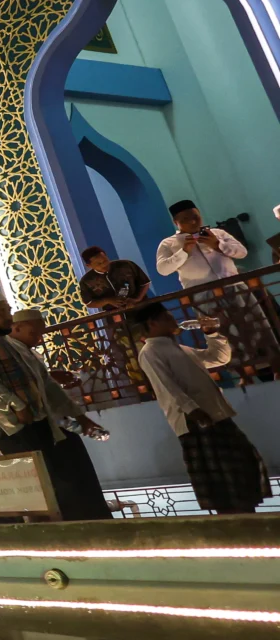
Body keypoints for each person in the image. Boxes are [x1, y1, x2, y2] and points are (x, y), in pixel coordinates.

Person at [0, 291, 113, 520]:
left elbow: (45, 384)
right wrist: (17, 405)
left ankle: (88, 529)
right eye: (1, 313)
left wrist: (80, 417)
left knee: (68, 474)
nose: (8, 317)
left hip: (38, 421)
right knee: (42, 490)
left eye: (8, 311)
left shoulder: (10, 343)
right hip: (11, 427)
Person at [134, 301, 270, 514]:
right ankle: (235, 523)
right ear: (153, 323)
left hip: (213, 414)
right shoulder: (150, 352)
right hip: (196, 421)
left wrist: (213, 335)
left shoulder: (181, 349)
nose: (173, 320)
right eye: (167, 317)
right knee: (223, 478)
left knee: (240, 466)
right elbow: (167, 387)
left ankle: (245, 518)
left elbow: (219, 358)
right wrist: (194, 411)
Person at [156, 200, 247, 288]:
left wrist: (217, 244)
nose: (193, 222)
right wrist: (184, 251)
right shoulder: (168, 243)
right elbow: (163, 270)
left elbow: (242, 253)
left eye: (196, 217)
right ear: (176, 222)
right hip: (202, 295)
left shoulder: (218, 233)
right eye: (185, 219)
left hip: (235, 286)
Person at [78, 246, 150, 311]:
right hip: (115, 315)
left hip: (143, 306)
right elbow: (89, 303)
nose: (104, 264)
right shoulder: (86, 281)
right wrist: (107, 301)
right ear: (89, 265)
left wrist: (137, 299)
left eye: (105, 260)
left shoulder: (126, 265)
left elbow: (144, 283)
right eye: (99, 264)